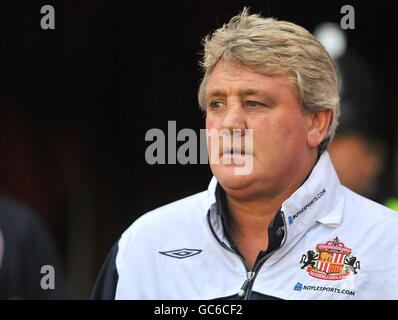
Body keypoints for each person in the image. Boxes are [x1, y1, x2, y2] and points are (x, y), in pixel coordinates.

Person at [91, 9, 398, 300]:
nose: (230, 123)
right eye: (217, 104)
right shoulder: (143, 247)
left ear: (317, 122)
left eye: (254, 103)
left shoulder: (388, 248)